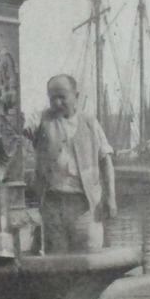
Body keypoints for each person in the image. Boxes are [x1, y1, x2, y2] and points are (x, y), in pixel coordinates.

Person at [26, 74, 116, 253]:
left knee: (90, 253)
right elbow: (25, 124)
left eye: (62, 97)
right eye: (52, 98)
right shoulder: (43, 119)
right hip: (53, 205)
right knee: (57, 260)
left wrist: (111, 197)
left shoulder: (90, 123)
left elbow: (106, 161)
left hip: (84, 206)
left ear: (76, 95)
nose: (57, 103)